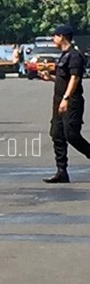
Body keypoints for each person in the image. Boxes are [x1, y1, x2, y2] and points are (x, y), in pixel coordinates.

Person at [41, 25, 90, 184]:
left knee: (72, 135)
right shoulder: (63, 56)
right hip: (59, 100)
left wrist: (66, 98)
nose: (53, 39)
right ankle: (61, 171)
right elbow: (66, 79)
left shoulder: (75, 56)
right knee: (57, 134)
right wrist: (51, 78)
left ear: (62, 36)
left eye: (55, 36)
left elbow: (75, 78)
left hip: (71, 101)